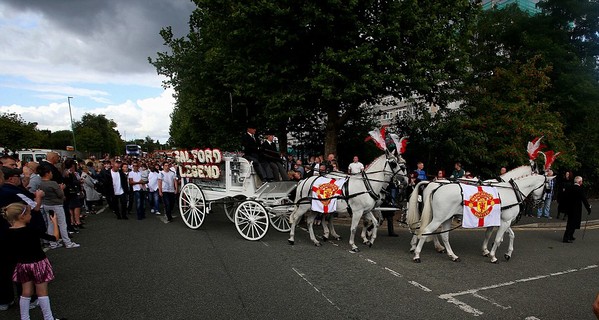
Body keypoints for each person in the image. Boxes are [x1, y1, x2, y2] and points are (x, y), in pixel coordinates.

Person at [1, 202, 61, 320]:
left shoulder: (6, 233)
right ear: (21, 216)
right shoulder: (32, 230)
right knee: (42, 292)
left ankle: (25, 318)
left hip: (22, 265)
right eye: (29, 213)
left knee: (26, 292)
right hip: (39, 263)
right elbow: (55, 238)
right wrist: (54, 222)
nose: (31, 216)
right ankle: (48, 318)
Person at [38, 165, 80, 249]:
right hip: (56, 205)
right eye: (50, 172)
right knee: (62, 224)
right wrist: (61, 188)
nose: (52, 174)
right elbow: (60, 195)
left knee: (51, 224)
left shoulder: (40, 183)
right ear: (47, 173)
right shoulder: (53, 183)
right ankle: (67, 242)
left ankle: (53, 243)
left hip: (46, 204)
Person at [562, 176, 591, 243]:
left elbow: (564, 197)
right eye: (582, 181)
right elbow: (584, 200)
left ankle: (570, 235)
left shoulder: (569, 187)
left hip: (569, 208)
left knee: (571, 222)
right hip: (576, 208)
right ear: (579, 182)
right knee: (572, 223)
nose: (582, 182)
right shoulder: (580, 189)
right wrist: (588, 208)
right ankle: (566, 238)